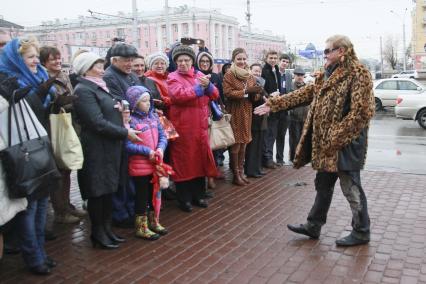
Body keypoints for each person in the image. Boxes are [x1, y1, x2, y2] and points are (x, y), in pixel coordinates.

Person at [254, 35, 375, 246]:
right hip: (328, 146)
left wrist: (335, 136)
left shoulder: (358, 73)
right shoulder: (325, 75)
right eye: (324, 51)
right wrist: (274, 104)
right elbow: (303, 94)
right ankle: (314, 225)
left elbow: (362, 113)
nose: (324, 54)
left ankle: (362, 231)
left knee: (351, 188)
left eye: (328, 51)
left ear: (342, 51)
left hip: (345, 144)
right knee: (323, 184)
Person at [0, 37, 60, 275]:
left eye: (36, 56)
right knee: (29, 207)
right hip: (18, 150)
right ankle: (33, 257)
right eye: (30, 57)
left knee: (41, 202)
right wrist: (38, 94)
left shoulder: (35, 76)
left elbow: (35, 112)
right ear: (17, 59)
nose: (36, 61)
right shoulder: (6, 78)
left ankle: (41, 252)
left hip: (36, 145)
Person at [72, 51, 141, 249]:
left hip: (110, 147)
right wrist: (124, 133)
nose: (102, 69)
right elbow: (96, 123)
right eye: (98, 66)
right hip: (96, 149)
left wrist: (122, 117)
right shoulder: (83, 90)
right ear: (86, 69)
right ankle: (97, 233)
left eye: (102, 65)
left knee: (109, 190)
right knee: (97, 192)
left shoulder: (99, 87)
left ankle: (107, 230)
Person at [167, 45, 219, 212]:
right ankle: (184, 199)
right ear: (175, 62)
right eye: (180, 60)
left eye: (186, 60)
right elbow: (178, 95)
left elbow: (216, 94)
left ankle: (199, 195)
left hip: (200, 127)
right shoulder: (172, 77)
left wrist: (209, 86)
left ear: (192, 61)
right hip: (183, 128)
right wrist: (200, 88)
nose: (183, 63)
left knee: (199, 162)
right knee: (184, 163)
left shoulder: (200, 75)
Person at [39, 46, 86, 224]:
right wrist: (59, 102)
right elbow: (43, 103)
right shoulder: (43, 78)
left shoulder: (63, 75)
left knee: (66, 168)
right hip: (53, 126)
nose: (58, 62)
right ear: (45, 62)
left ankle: (66, 204)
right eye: (53, 60)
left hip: (68, 123)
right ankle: (60, 210)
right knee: (59, 169)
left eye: (59, 59)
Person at [103, 43, 141, 228]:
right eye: (126, 60)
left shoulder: (131, 75)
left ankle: (132, 208)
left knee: (131, 171)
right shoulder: (109, 77)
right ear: (114, 60)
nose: (130, 63)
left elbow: (142, 94)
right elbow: (122, 101)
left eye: (131, 60)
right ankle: (120, 213)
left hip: (135, 127)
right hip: (122, 129)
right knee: (122, 174)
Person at [124, 86, 168, 240]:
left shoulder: (154, 117)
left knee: (154, 194)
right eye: (144, 101)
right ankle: (141, 227)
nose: (148, 104)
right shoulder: (130, 121)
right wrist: (147, 152)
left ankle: (153, 221)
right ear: (134, 103)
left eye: (149, 100)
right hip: (139, 166)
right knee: (141, 196)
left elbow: (163, 136)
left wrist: (161, 149)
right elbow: (128, 145)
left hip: (155, 163)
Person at [223, 48, 262, 186]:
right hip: (235, 111)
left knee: (244, 142)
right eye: (239, 59)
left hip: (247, 111)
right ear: (234, 59)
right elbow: (227, 93)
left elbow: (254, 97)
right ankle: (235, 174)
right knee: (236, 143)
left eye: (244, 59)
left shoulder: (250, 76)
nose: (242, 61)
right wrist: (245, 91)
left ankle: (241, 171)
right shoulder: (229, 74)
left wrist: (256, 93)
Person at [195, 50, 224, 190]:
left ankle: (213, 173)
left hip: (213, 113)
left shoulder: (216, 76)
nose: (205, 64)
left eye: (207, 62)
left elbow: (219, 96)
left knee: (215, 145)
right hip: (200, 114)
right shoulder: (194, 76)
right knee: (204, 147)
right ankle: (206, 177)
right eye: (202, 62)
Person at [262, 50, 287, 169]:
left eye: (274, 58)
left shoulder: (276, 69)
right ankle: (268, 158)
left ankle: (272, 158)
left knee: (274, 133)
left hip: (277, 106)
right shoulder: (264, 70)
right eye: (270, 57)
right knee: (270, 134)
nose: (273, 60)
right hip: (268, 105)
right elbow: (261, 88)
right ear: (266, 58)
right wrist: (269, 96)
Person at [244, 63, 268, 178]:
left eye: (259, 71)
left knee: (259, 145)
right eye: (255, 71)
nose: (257, 73)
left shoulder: (261, 83)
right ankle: (250, 170)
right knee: (252, 146)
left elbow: (265, 96)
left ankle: (257, 168)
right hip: (253, 118)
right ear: (250, 71)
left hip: (261, 119)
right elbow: (253, 99)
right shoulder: (250, 83)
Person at [288, 67, 308, 163]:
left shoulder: (307, 87)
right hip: (294, 117)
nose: (300, 77)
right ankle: (293, 157)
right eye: (298, 75)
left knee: (303, 139)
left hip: (305, 117)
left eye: (301, 75)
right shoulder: (290, 87)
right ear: (294, 75)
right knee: (294, 139)